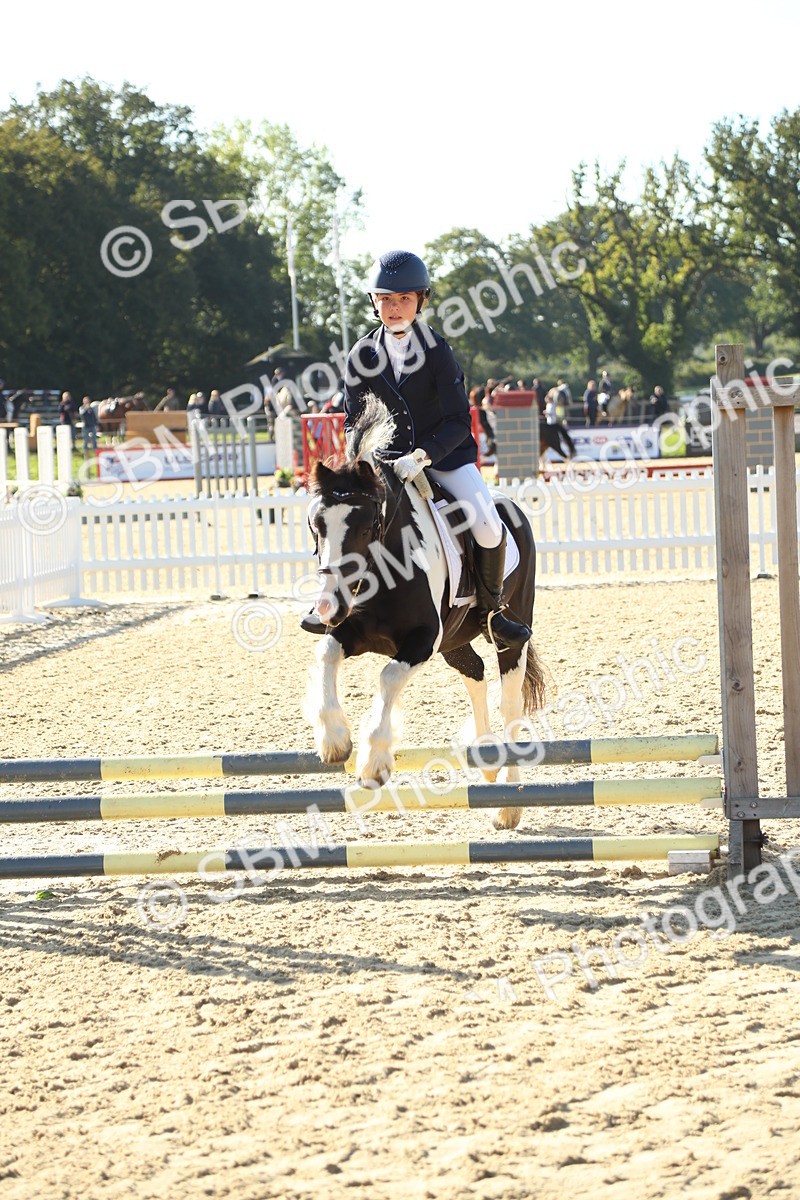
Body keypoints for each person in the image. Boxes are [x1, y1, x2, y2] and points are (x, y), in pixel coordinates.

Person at [305, 249, 531, 651]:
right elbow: (353, 420)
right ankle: (331, 597)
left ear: (420, 300)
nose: (394, 308)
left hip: (442, 459)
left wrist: (422, 456)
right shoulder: (361, 355)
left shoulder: (438, 351)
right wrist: (364, 464)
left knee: (487, 524)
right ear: (374, 302)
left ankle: (492, 612)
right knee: (328, 514)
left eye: (404, 299)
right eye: (386, 299)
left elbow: (460, 421)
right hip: (382, 467)